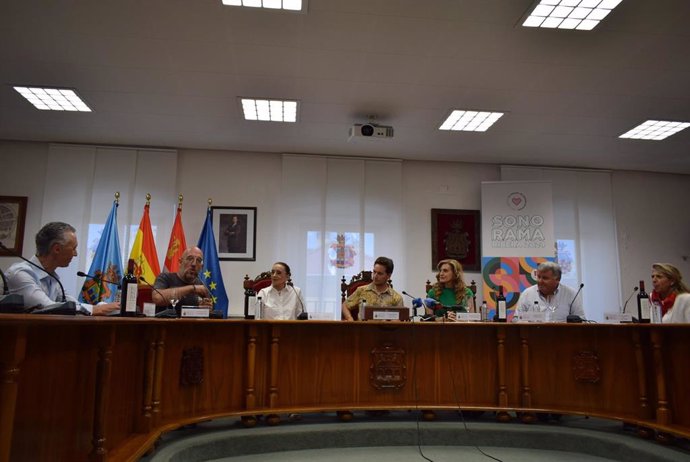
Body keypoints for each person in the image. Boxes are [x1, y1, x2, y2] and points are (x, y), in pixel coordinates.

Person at [5, 221, 119, 315]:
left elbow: (70, 303)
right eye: (73, 248)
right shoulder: (20, 274)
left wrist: (104, 307)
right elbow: (48, 308)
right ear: (57, 249)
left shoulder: (52, 276)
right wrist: (95, 310)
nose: (75, 254)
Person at [515, 261, 585, 322]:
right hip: (534, 335)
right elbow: (516, 319)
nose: (540, 281)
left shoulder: (571, 294)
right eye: (538, 277)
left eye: (545, 278)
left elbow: (581, 320)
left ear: (558, 279)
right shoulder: (527, 294)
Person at [342, 256, 403, 321]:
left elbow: (400, 320)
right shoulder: (361, 290)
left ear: (388, 276)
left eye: (380, 273)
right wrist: (349, 318)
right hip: (363, 329)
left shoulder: (396, 298)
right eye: (374, 272)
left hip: (386, 330)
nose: (375, 276)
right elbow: (345, 305)